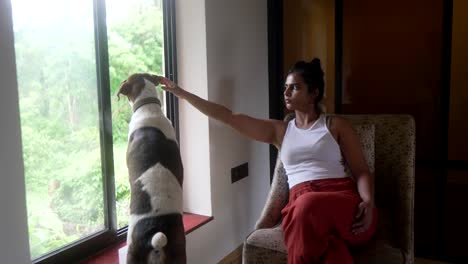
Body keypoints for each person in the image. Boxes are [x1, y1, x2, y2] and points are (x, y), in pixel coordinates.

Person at [158, 58, 377, 264]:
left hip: (340, 202)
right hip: (303, 206)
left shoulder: (335, 125)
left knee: (307, 207)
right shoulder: (279, 131)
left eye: (295, 87)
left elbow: (361, 172)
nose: (286, 92)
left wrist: (368, 202)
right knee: (322, 238)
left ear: (314, 93)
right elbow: (228, 117)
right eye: (286, 87)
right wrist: (181, 93)